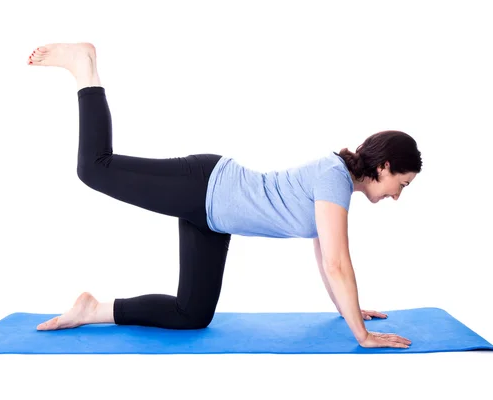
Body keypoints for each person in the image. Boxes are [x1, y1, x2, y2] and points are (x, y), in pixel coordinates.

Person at [27, 42, 421, 349]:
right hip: (202, 185)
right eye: (401, 184)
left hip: (213, 216)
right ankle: (85, 66)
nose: (397, 196)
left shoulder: (336, 184)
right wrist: (361, 336)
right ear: (384, 167)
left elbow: (324, 255)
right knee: (95, 168)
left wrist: (347, 311)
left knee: (192, 314)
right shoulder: (335, 178)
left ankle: (92, 309)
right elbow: (337, 263)